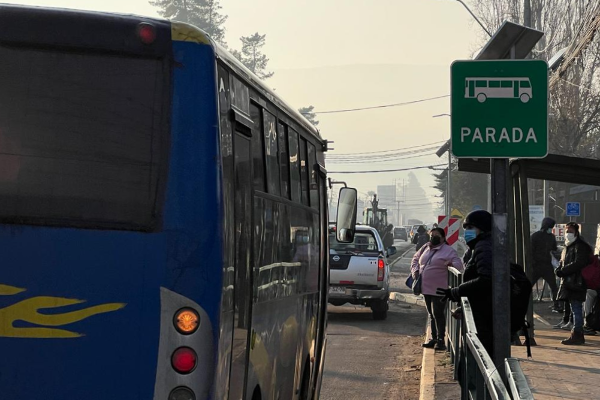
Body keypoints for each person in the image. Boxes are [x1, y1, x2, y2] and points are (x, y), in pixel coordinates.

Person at [436, 210, 494, 357]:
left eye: (471, 228)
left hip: (485, 315)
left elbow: (485, 280)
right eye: (466, 228)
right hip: (478, 311)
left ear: (482, 228)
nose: (467, 232)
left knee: (479, 357)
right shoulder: (475, 248)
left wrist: (456, 291)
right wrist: (463, 305)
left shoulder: (485, 248)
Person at [411, 228, 463, 350]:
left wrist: (450, 264)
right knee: (431, 314)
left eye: (436, 235)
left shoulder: (448, 251)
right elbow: (415, 259)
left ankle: (441, 340)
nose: (433, 237)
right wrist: (415, 271)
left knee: (438, 313)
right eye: (432, 235)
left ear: (443, 238)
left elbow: (459, 265)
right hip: (425, 287)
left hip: (439, 289)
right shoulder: (425, 247)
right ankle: (433, 338)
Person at [555, 222, 592, 345]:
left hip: (577, 282)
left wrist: (563, 270)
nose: (568, 234)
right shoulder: (568, 246)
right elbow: (563, 261)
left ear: (576, 232)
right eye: (566, 231)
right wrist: (559, 269)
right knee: (574, 308)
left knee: (576, 308)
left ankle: (577, 334)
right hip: (570, 282)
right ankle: (576, 333)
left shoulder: (580, 246)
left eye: (570, 231)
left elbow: (579, 263)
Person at [531, 217, 561, 312]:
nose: (551, 229)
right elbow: (554, 248)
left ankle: (525, 303)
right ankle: (556, 304)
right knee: (553, 287)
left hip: (537, 265)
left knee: (528, 285)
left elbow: (530, 250)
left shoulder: (535, 236)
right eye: (550, 227)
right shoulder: (551, 237)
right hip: (546, 265)